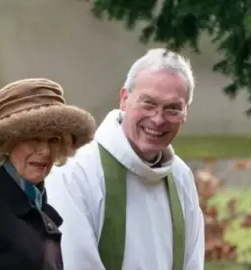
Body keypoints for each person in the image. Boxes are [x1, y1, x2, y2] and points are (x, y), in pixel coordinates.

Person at [45, 48, 205, 270]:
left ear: (186, 112)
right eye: (148, 103)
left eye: (172, 109)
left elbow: (192, 263)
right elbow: (75, 263)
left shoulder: (181, 178)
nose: (158, 119)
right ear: (124, 99)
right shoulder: (76, 171)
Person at [0, 78, 96, 270]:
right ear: (6, 143)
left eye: (54, 140)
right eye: (33, 139)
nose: (45, 151)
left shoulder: (35, 200)